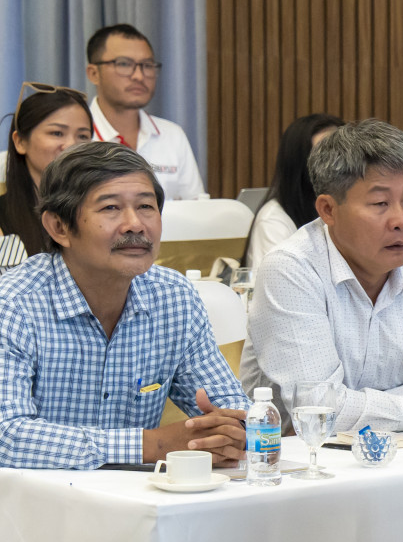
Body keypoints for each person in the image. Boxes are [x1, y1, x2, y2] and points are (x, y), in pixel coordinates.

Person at [0, 142, 246, 469]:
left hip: (141, 503)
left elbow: (231, 406)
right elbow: (7, 435)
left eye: (146, 206)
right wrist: (152, 444)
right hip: (34, 509)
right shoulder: (14, 304)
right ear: (59, 227)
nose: (135, 224)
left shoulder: (174, 297)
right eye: (111, 208)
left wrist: (233, 432)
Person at [242, 119, 403, 433]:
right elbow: (319, 412)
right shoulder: (291, 269)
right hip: (301, 463)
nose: (401, 220)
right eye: (380, 203)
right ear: (328, 210)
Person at [84, 24, 204, 201]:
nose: (139, 76)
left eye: (147, 65)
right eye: (124, 64)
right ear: (94, 73)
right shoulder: (76, 136)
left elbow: (197, 210)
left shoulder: (172, 135)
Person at [2, 83, 94, 272]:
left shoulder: (98, 211)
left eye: (83, 136)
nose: (71, 145)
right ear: (20, 141)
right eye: (57, 133)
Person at [246, 113, 345, 267]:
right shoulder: (274, 220)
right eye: (326, 156)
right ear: (301, 166)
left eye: (342, 153)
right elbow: (277, 284)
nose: (339, 164)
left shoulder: (355, 208)